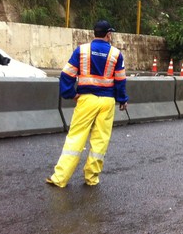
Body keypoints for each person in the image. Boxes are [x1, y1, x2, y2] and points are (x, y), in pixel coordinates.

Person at [46, 20, 128, 188]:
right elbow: (120, 80)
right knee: (100, 140)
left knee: (75, 138)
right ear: (108, 34)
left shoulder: (81, 50)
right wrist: (122, 100)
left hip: (86, 99)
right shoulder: (116, 54)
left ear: (94, 33)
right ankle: (92, 178)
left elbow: (67, 74)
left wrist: (71, 93)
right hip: (107, 101)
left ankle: (60, 178)